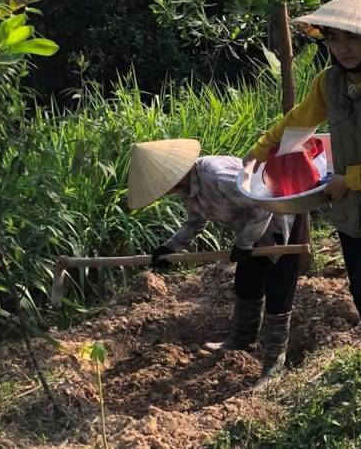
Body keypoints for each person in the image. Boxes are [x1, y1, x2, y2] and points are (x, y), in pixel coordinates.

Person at [243, 0, 361, 395]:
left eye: (352, 38)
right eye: (335, 38)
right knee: (360, 288)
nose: (343, 48)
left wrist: (348, 180)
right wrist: (258, 152)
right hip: (349, 208)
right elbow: (298, 122)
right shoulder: (329, 83)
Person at [127, 139, 304, 387]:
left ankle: (274, 365)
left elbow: (264, 204)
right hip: (251, 232)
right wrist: (171, 247)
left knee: (278, 290)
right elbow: (196, 220)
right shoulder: (188, 188)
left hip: (281, 220)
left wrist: (244, 242)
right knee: (246, 285)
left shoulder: (217, 177)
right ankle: (241, 340)